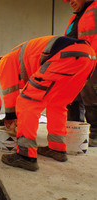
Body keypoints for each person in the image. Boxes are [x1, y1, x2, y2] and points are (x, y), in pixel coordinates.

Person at [0, 35, 96, 171]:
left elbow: (11, 96)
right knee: (57, 104)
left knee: (26, 101)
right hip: (88, 56)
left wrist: (10, 119)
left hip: (66, 55)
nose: (0, 79)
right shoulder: (19, 59)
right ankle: (57, 148)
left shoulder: (4, 62)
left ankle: (25, 156)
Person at [63, 0, 97, 147]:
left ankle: (95, 134)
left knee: (91, 95)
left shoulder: (95, 8)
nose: (70, 2)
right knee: (72, 96)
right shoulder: (74, 18)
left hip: (93, 60)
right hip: (77, 64)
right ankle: (75, 132)